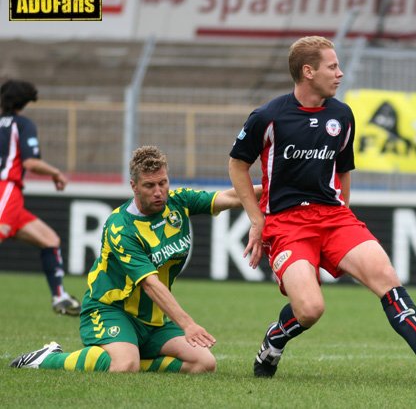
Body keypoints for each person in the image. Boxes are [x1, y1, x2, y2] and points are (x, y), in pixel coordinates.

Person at [228, 35, 416, 386]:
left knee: (385, 276)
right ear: (308, 72)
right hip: (288, 224)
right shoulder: (268, 117)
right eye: (332, 66)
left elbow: (343, 169)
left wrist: (345, 216)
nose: (340, 73)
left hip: (335, 218)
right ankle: (274, 340)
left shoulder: (342, 115)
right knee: (310, 309)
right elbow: (237, 165)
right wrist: (256, 219)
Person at [10, 145, 259, 373]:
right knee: (124, 365)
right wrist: (188, 324)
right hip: (110, 309)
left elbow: (232, 197)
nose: (159, 192)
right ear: (134, 186)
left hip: (151, 318)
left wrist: (280, 189)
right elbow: (149, 283)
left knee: (204, 364)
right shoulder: (121, 228)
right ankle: (48, 358)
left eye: (163, 183)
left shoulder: (178, 201)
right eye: (150, 186)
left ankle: (133, 355)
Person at [0, 79, 81, 316]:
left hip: (10, 196)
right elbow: (30, 162)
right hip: (6, 189)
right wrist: (56, 173)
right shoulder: (22, 124)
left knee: (50, 240)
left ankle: (60, 297)